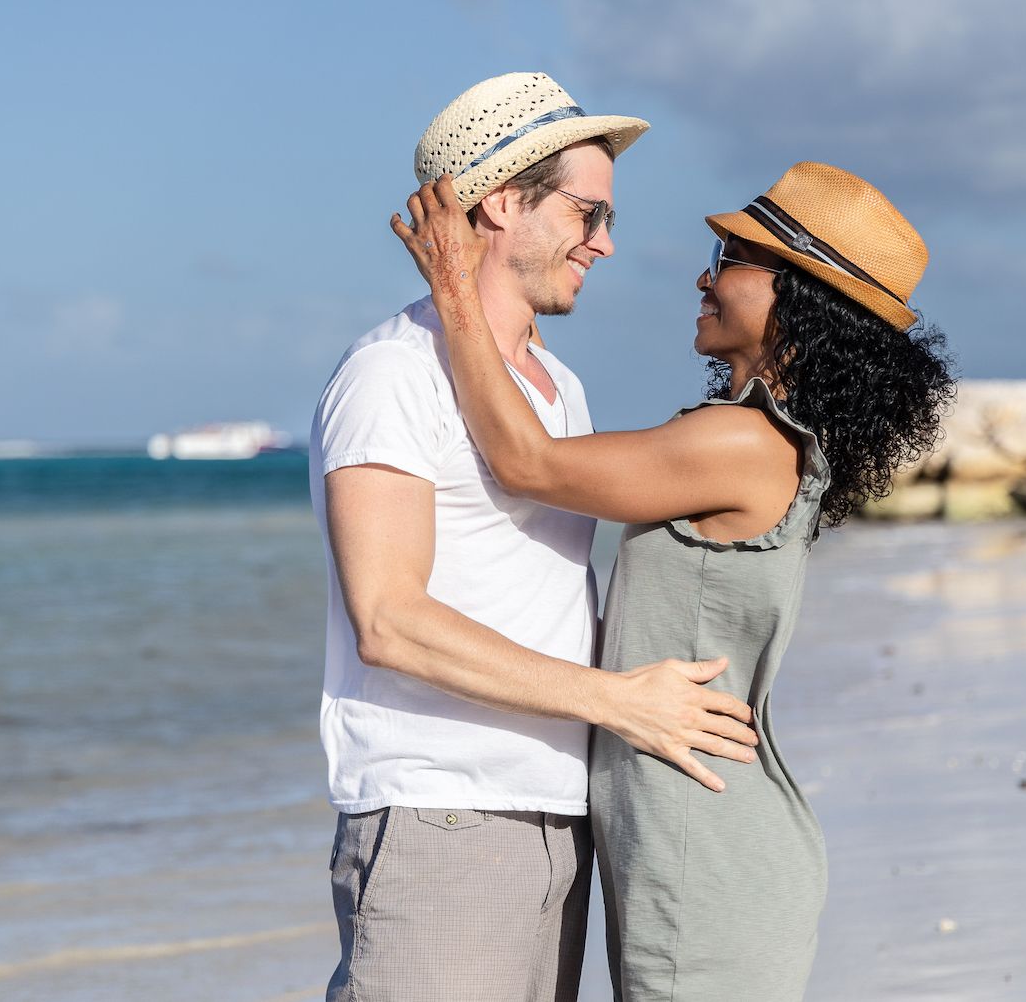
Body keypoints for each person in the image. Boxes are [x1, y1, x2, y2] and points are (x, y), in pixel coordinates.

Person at [394, 162, 955, 1001]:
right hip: (695, 831)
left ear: (797, 295)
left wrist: (454, 289)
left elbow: (526, 460)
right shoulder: (760, 441)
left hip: (705, 842)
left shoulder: (743, 444)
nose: (706, 271)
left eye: (733, 255)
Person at [309, 72, 762, 1002]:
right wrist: (618, 700)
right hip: (445, 811)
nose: (604, 243)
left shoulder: (560, 390)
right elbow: (390, 619)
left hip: (558, 817)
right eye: (586, 213)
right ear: (502, 203)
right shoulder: (392, 374)